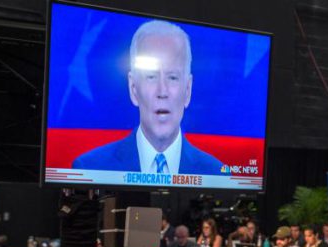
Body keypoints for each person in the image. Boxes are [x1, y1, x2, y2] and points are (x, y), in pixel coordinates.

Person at [73, 21, 223, 174]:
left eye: (172, 78)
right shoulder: (90, 168)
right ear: (133, 89)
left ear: (188, 90)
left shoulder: (216, 173)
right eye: (151, 76)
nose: (162, 91)